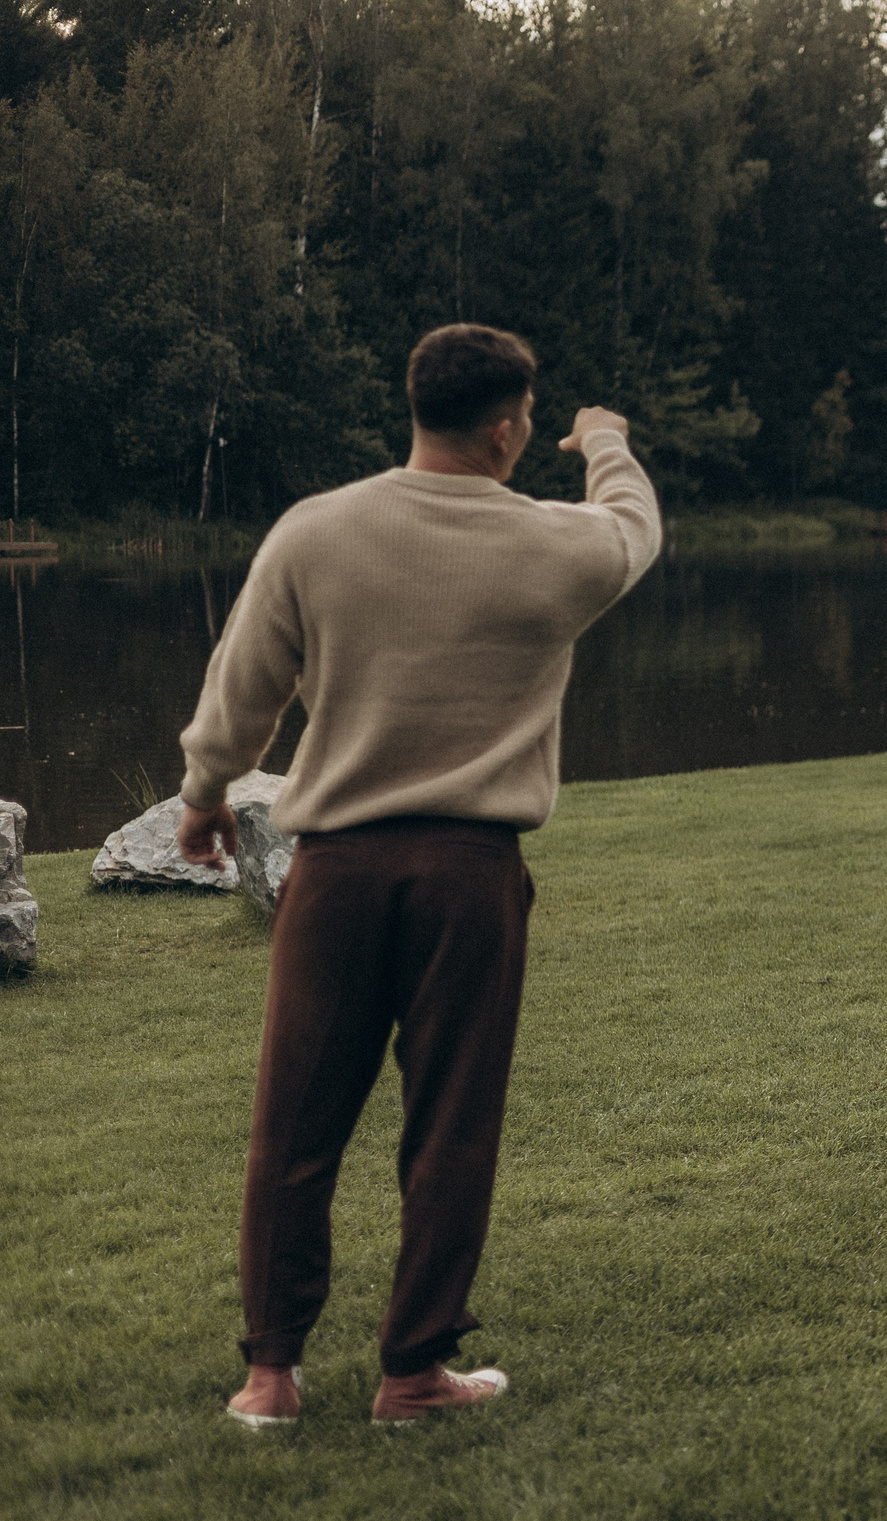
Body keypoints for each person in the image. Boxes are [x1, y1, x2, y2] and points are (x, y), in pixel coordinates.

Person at [176, 323, 661, 1428]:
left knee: (293, 1123)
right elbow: (633, 533)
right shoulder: (555, 546)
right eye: (531, 421)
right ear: (505, 431)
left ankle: (269, 1379)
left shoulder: (317, 530)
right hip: (468, 876)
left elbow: (244, 684)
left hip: (334, 872)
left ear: (416, 407)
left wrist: (205, 796)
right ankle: (411, 1377)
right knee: (450, 1124)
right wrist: (605, 444)